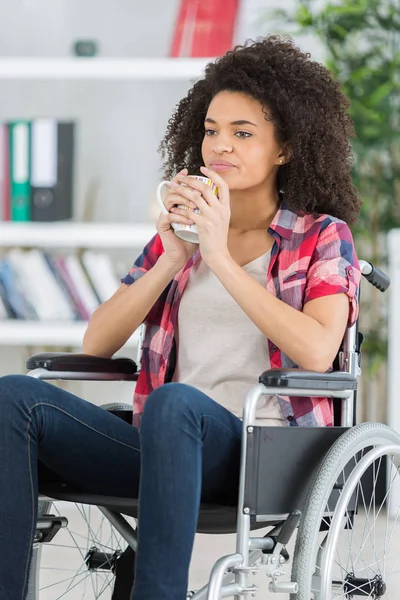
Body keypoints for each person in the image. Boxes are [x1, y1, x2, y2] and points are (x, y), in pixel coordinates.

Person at [0, 34, 361, 600]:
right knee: (13, 396)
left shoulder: (320, 237)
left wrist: (220, 257)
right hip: (163, 443)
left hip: (256, 454)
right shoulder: (183, 235)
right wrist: (174, 258)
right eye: (212, 130)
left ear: (286, 148)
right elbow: (96, 341)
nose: (221, 145)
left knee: (176, 404)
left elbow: (317, 351)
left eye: (243, 134)